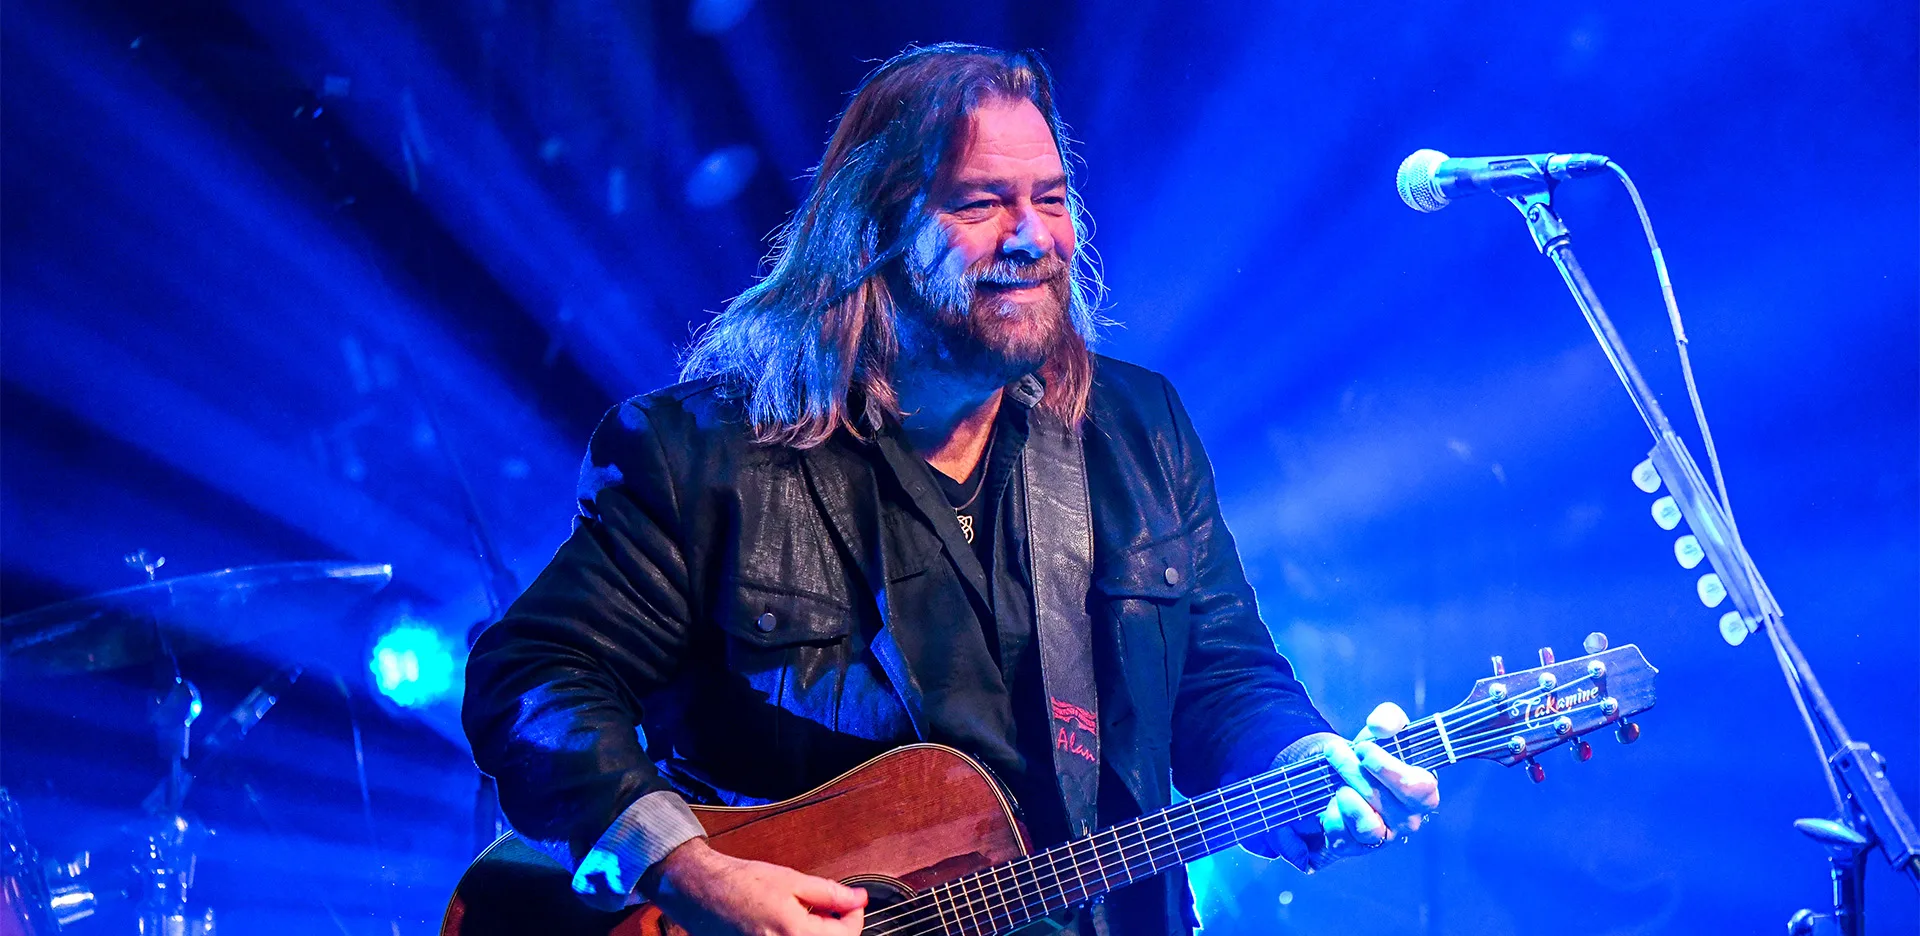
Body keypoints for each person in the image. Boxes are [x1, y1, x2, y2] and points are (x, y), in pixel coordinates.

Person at [463, 42, 1439, 936]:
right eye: (980, 204)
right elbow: (535, 678)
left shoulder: (1137, 431)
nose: (1032, 236)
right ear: (874, 232)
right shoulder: (706, 452)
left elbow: (1221, 677)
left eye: (1051, 199)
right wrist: (686, 868)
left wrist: (1296, 765)